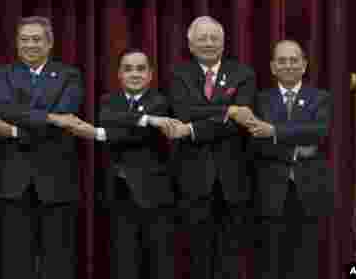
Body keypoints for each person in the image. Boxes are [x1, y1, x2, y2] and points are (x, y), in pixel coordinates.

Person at [0, 16, 85, 279]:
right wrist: (50, 117)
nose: (30, 45)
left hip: (57, 181)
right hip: (14, 182)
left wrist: (15, 129)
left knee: (59, 261)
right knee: (16, 262)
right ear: (17, 44)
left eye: (37, 39)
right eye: (24, 40)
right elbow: (6, 109)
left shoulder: (69, 75)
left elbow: (67, 115)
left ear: (50, 43)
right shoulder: (2, 74)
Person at [69, 49, 176, 279]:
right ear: (119, 74)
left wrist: (97, 133)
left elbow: (138, 136)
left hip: (154, 194)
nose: (134, 74)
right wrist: (145, 119)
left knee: (159, 259)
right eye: (128, 69)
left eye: (140, 69)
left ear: (150, 75)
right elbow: (109, 117)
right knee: (123, 259)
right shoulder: (108, 100)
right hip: (117, 191)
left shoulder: (160, 102)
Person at [167, 15, 255, 279]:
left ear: (224, 43)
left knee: (232, 256)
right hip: (192, 177)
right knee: (196, 256)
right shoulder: (178, 74)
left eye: (214, 38)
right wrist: (229, 109)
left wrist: (196, 125)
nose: (208, 43)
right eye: (202, 38)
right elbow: (184, 112)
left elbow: (241, 123)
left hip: (234, 177)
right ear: (191, 45)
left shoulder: (243, 74)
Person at [246, 40, 334, 279]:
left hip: (310, 190)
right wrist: (294, 151)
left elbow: (318, 131)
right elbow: (256, 142)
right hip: (270, 190)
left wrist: (274, 131)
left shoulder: (321, 98)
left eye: (294, 60)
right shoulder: (261, 100)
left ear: (304, 65)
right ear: (273, 67)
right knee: (270, 261)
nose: (288, 65)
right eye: (282, 61)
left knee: (306, 261)